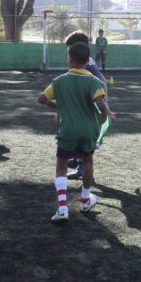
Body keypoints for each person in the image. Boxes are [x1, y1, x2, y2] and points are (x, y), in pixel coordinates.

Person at [38, 42, 115, 222]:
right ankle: (85, 200)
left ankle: (62, 207)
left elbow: (41, 99)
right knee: (87, 161)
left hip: (68, 130)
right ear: (88, 61)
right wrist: (104, 116)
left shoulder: (59, 81)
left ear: (70, 60)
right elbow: (101, 105)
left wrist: (54, 104)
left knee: (61, 163)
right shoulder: (95, 82)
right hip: (88, 130)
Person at [63, 31, 107, 180]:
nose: (68, 53)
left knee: (84, 138)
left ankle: (82, 167)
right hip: (86, 105)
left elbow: (101, 83)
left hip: (90, 106)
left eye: (69, 49)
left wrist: (101, 103)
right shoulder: (87, 61)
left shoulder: (87, 65)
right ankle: (77, 160)